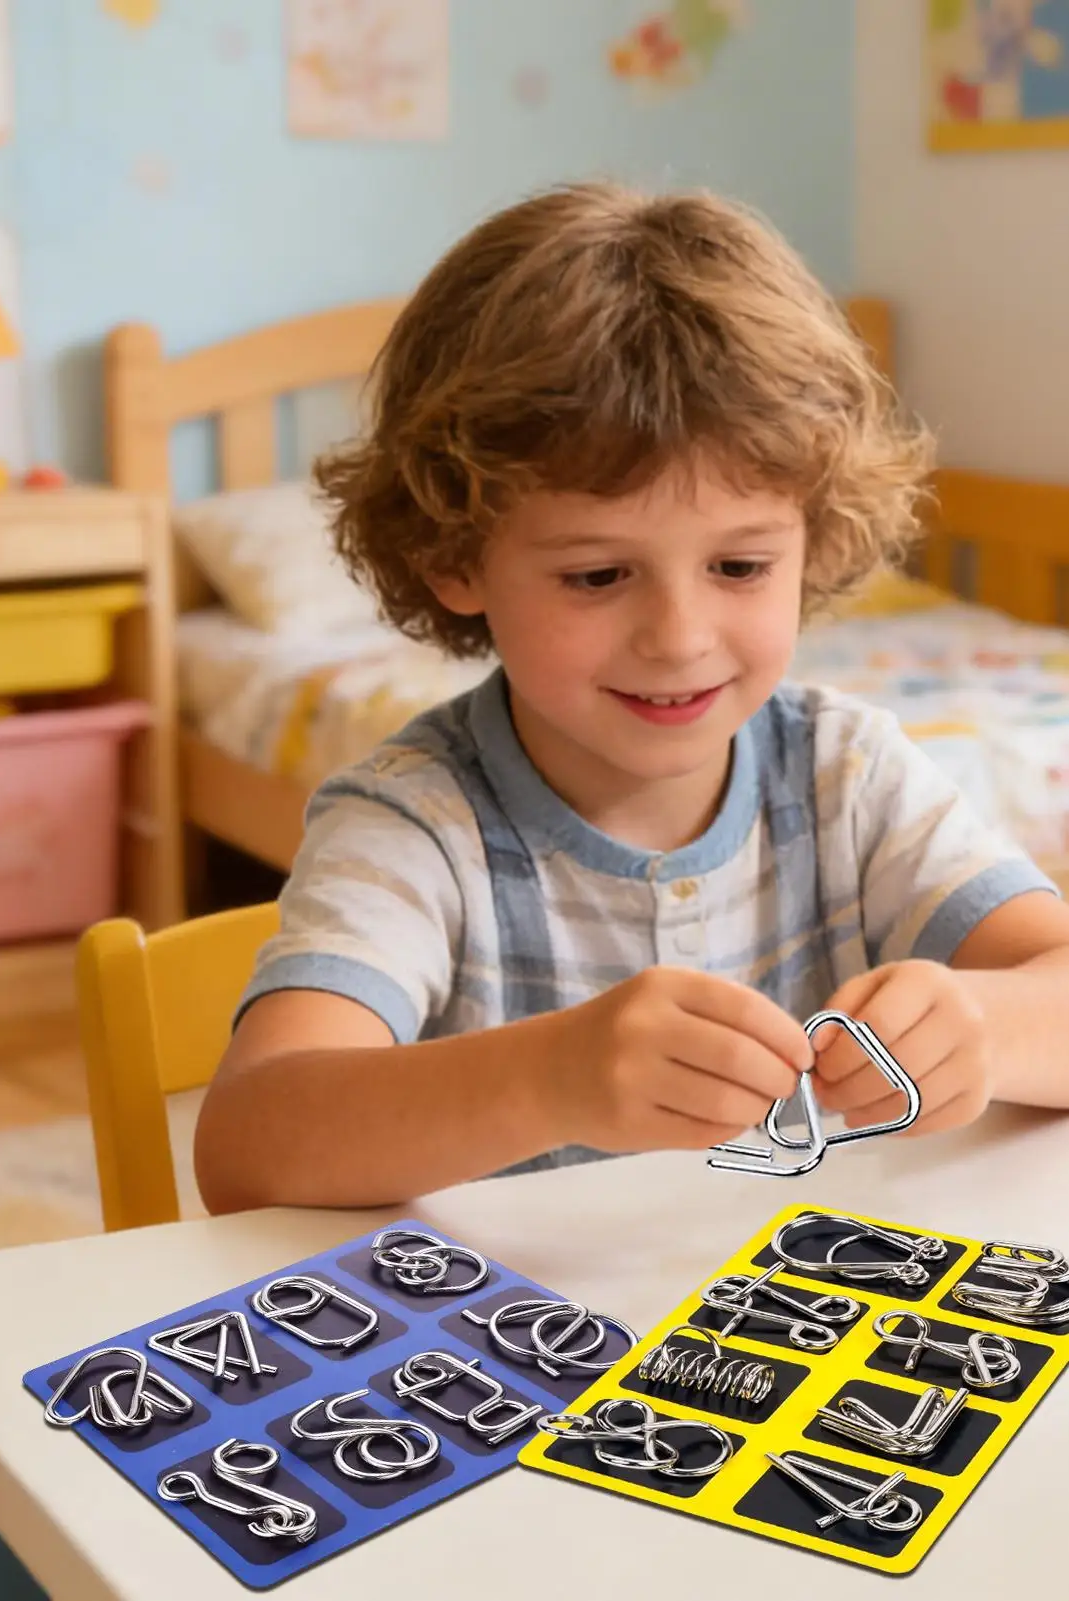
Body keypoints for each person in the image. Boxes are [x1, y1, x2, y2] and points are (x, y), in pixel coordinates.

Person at [192, 181, 1069, 1215]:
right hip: (512, 1351)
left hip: (788, 1332)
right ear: (451, 558)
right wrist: (551, 1075)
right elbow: (249, 1143)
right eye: (598, 575)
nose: (679, 637)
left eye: (738, 566)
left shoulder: (848, 774)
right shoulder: (415, 824)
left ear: (812, 539)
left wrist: (981, 1023)